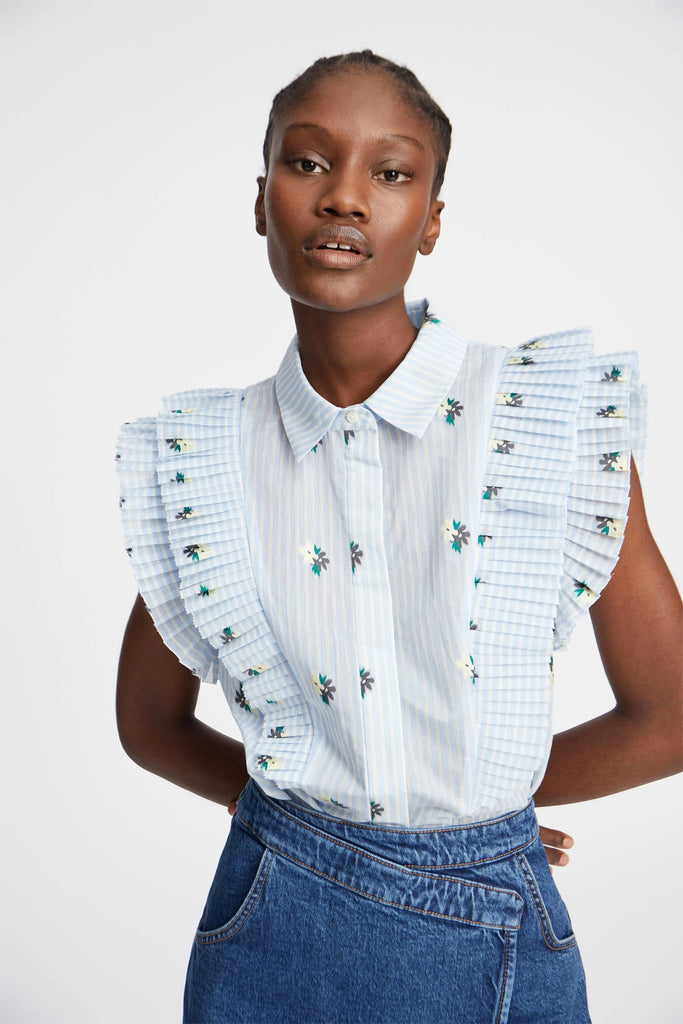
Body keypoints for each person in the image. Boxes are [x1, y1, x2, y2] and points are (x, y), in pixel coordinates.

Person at [115, 51, 682, 1024]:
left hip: (493, 927)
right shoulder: (211, 460)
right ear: (259, 201)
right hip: (270, 925)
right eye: (307, 162)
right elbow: (149, 722)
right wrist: (319, 827)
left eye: (389, 172)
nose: (343, 196)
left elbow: (670, 713)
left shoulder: (542, 423)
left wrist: (474, 806)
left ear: (430, 220)